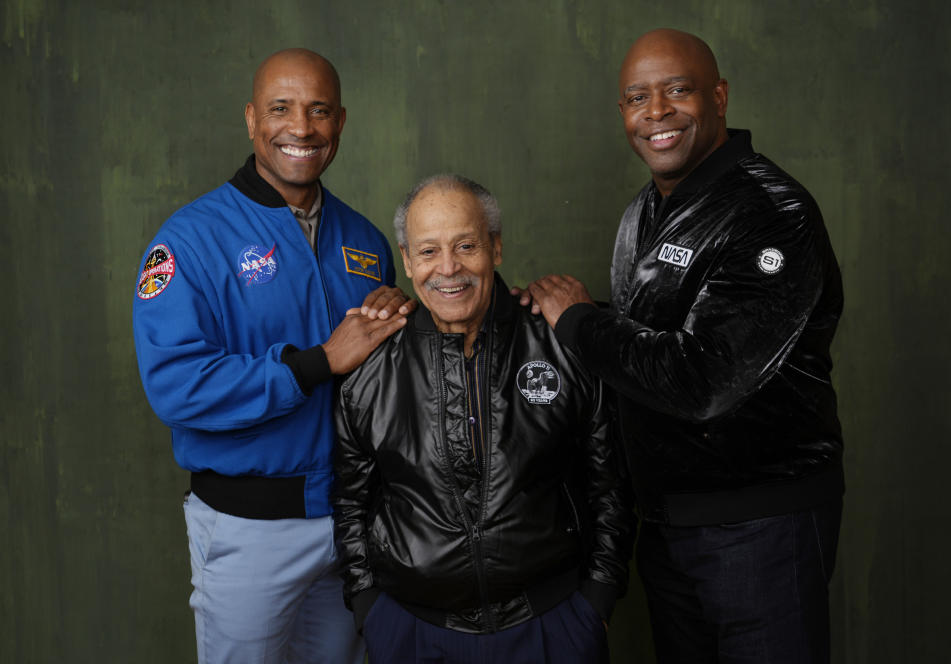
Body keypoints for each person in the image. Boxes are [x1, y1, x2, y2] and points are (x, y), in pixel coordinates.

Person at [526, 29, 844, 663]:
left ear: (720, 96)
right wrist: (537, 316)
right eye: (638, 98)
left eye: (678, 90)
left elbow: (705, 378)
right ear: (624, 113)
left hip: (761, 527)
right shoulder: (643, 211)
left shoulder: (771, 211)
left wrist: (581, 323)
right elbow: (655, 336)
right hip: (670, 526)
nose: (657, 112)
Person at [132, 48, 414, 664]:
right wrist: (316, 362)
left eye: (318, 111)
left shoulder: (365, 240)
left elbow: (381, 390)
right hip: (247, 532)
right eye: (281, 109)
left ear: (340, 122)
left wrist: (399, 322)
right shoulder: (189, 240)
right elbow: (176, 385)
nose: (301, 128)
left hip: (351, 525)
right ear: (252, 120)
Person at [333, 175, 635, 664]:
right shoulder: (370, 367)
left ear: (495, 248)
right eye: (428, 252)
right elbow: (351, 502)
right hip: (413, 631)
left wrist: (597, 598)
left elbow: (610, 485)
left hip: (551, 624)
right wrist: (370, 607)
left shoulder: (559, 344)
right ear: (407, 261)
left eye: (466, 245)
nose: (448, 269)